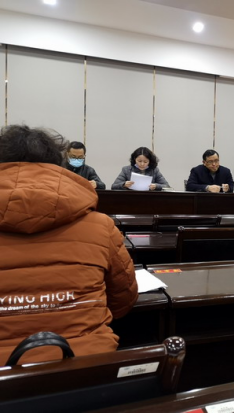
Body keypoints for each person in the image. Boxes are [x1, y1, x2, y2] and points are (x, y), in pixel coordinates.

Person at [0, 124, 137, 365]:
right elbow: (123, 299)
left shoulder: (92, 182)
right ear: (58, 163)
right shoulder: (101, 225)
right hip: (87, 365)